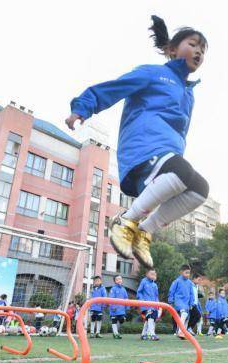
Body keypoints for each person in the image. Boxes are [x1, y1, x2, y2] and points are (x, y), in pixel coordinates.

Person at [66, 16, 209, 270]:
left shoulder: (188, 94)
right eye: (193, 44)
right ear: (172, 49)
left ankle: (144, 232)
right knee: (182, 170)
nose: (199, 51)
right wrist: (82, 108)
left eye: (203, 49)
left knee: (200, 188)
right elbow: (114, 88)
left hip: (165, 160)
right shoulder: (154, 73)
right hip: (142, 148)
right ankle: (125, 222)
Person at [168, 265, 195, 339]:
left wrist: (191, 303)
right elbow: (171, 291)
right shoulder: (177, 281)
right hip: (179, 301)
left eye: (189, 273)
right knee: (184, 314)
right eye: (186, 273)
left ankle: (183, 333)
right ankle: (180, 331)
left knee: (186, 318)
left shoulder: (190, 283)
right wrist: (170, 300)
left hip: (186, 303)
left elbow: (191, 294)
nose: (188, 275)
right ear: (181, 272)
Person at [137, 269, 160, 341]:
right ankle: (152, 334)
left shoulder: (155, 285)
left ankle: (143, 334)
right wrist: (142, 300)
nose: (153, 276)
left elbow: (156, 296)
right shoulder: (144, 281)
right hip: (146, 305)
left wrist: (157, 305)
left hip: (154, 306)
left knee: (149, 320)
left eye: (154, 274)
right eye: (151, 274)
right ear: (147, 274)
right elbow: (139, 292)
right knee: (150, 318)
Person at [108, 275, 129, 339]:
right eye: (117, 279)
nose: (119, 280)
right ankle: (115, 333)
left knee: (122, 320)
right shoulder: (113, 289)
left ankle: (117, 331)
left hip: (121, 310)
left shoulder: (124, 289)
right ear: (115, 281)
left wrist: (127, 307)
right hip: (114, 310)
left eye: (120, 279)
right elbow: (111, 298)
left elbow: (126, 299)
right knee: (114, 321)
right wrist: (113, 307)